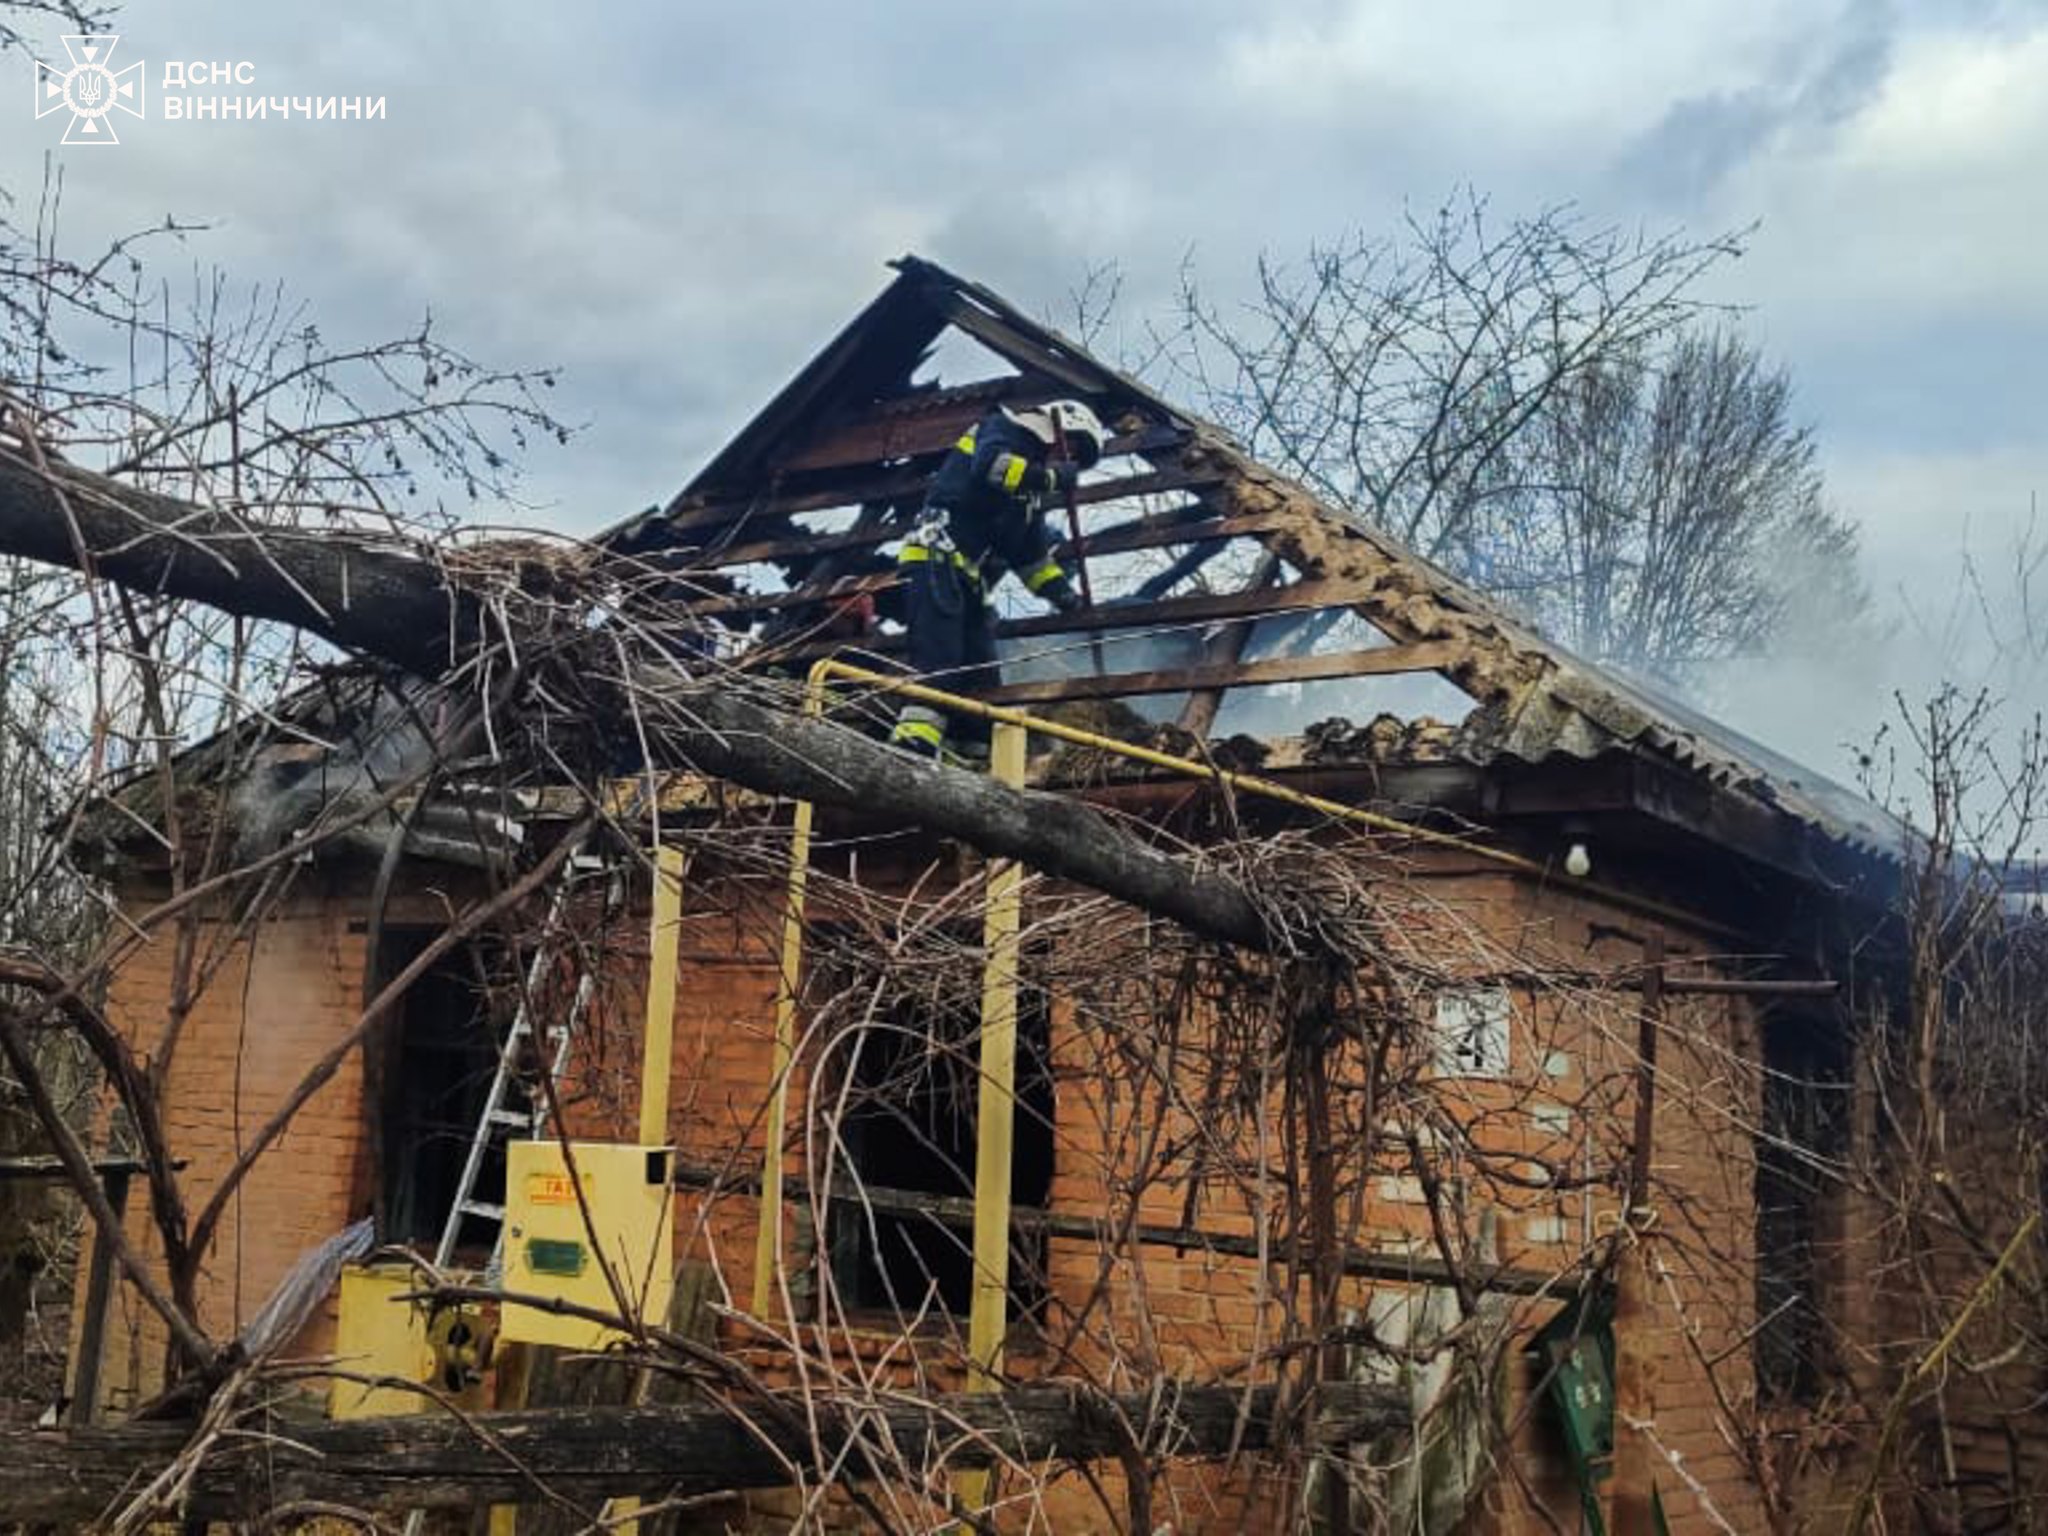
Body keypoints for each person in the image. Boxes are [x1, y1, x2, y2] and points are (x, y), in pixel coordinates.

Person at [888, 399, 1107, 765]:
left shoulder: (1026, 500)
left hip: (967, 579)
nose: (1067, 462)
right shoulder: (1004, 429)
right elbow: (991, 467)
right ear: (1058, 431)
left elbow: (1029, 556)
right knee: (942, 661)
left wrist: (1066, 597)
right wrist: (1052, 479)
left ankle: (968, 755)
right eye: (1073, 450)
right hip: (934, 560)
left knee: (982, 675)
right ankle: (911, 748)